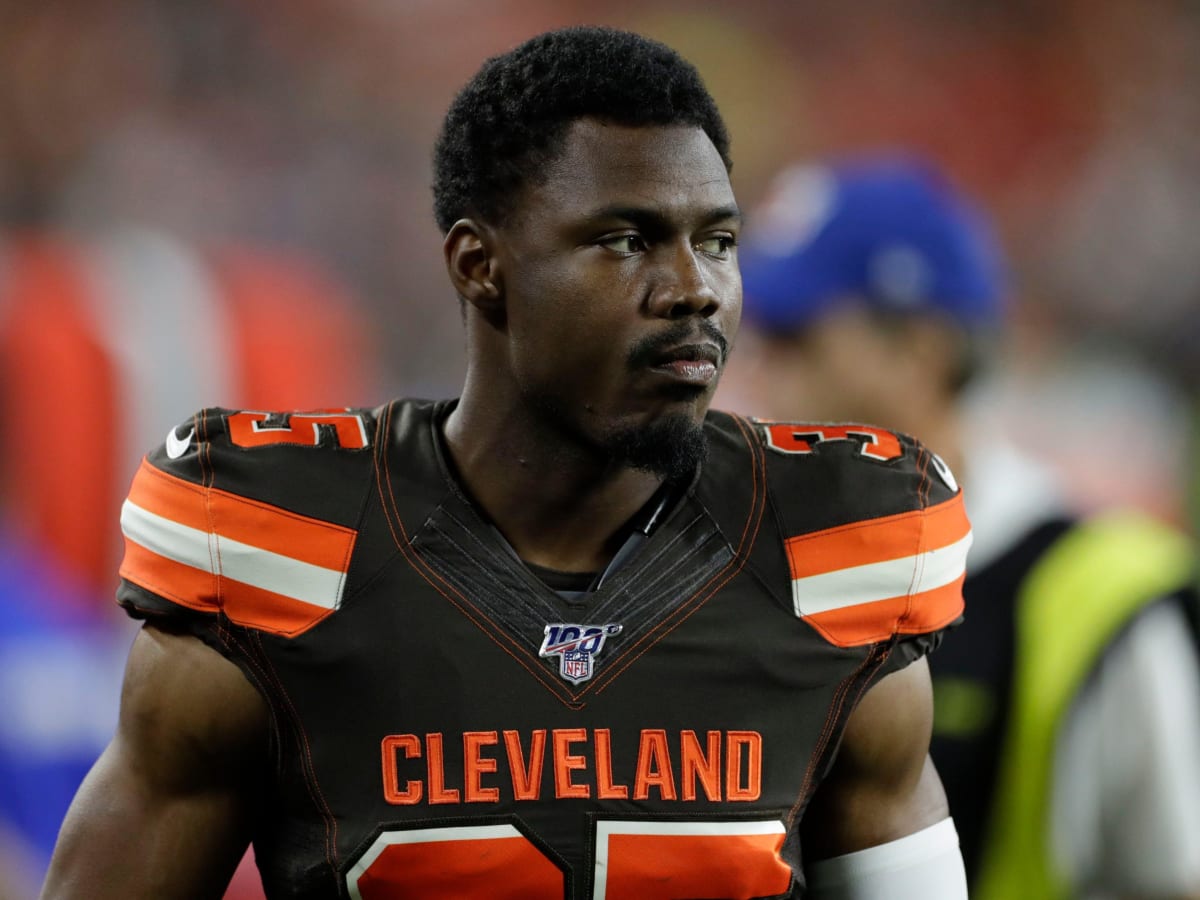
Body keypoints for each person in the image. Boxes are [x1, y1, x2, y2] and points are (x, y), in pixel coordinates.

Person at [40, 28, 972, 898]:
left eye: (717, 242)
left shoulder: (832, 558)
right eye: (625, 239)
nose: (693, 289)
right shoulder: (282, 556)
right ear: (480, 265)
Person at [732, 154, 1200, 899]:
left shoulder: (1107, 592)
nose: (756, 372)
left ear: (921, 349)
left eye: (795, 340)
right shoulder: (744, 564)